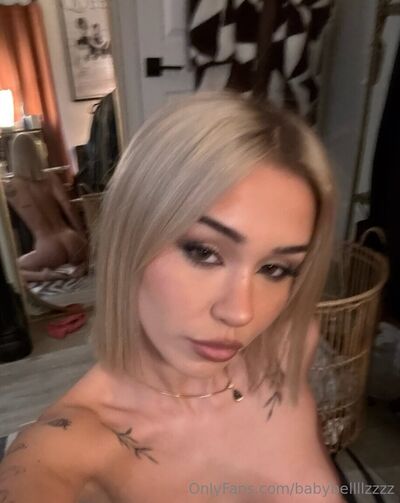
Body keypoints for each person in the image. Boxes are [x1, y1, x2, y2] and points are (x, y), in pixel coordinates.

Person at [0, 92, 345, 502]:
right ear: (132, 235)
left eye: (275, 269)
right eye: (204, 252)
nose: (240, 313)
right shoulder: (66, 449)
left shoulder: (289, 345)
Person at [5, 133, 88, 282]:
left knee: (10, 269)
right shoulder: (50, 178)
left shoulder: (10, 188)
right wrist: (82, 237)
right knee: (86, 254)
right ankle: (83, 265)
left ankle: (45, 275)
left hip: (48, 247)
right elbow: (68, 207)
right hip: (70, 238)